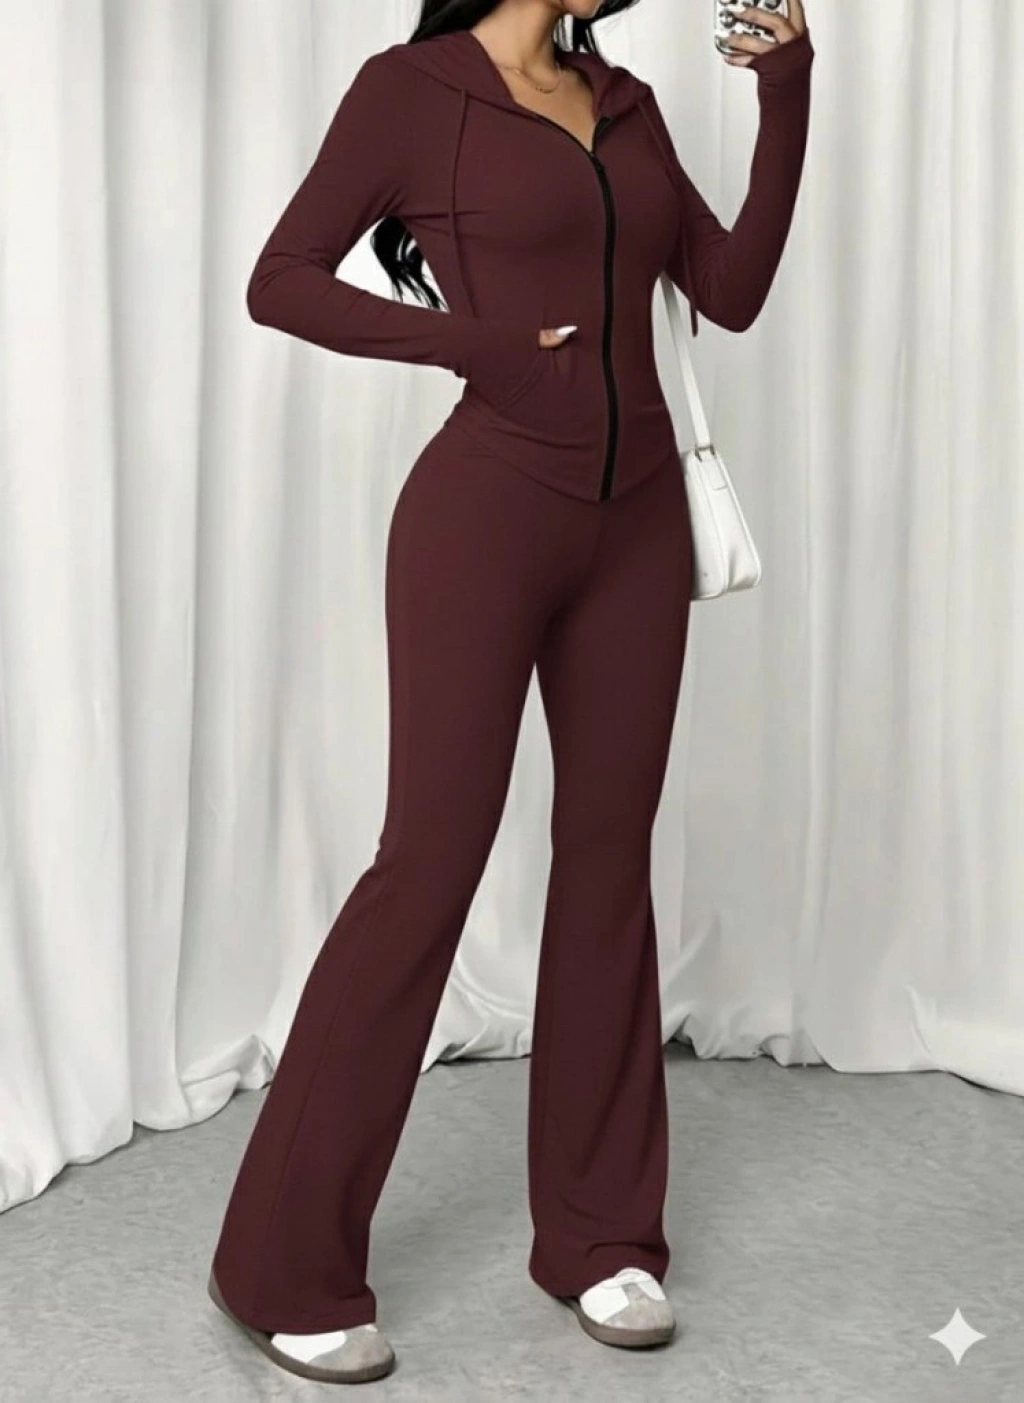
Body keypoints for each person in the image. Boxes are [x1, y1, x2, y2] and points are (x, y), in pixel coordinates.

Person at [207, 0, 814, 1384]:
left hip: (637, 528)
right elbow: (280, 279)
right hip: (484, 518)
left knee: (607, 864)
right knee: (427, 866)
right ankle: (279, 1264)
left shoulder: (626, 102)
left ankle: (601, 1238)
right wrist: (471, 345)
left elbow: (728, 288)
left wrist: (786, 96)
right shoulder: (410, 91)